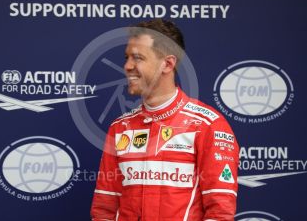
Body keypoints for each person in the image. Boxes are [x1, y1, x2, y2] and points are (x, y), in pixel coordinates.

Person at [91, 19, 239, 221]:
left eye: (138, 58)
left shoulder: (207, 125)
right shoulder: (120, 128)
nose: (127, 66)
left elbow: (220, 212)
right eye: (126, 57)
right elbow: (104, 209)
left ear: (167, 64)